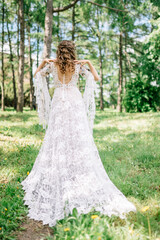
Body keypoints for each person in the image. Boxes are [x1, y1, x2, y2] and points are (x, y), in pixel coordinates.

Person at [21, 40, 136, 227]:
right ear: (73, 52)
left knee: (58, 135)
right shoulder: (78, 67)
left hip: (59, 101)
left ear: (59, 52)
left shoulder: (53, 65)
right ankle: (75, 167)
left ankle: (62, 164)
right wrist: (89, 63)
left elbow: (37, 75)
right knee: (75, 135)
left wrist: (44, 62)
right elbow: (96, 78)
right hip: (74, 101)